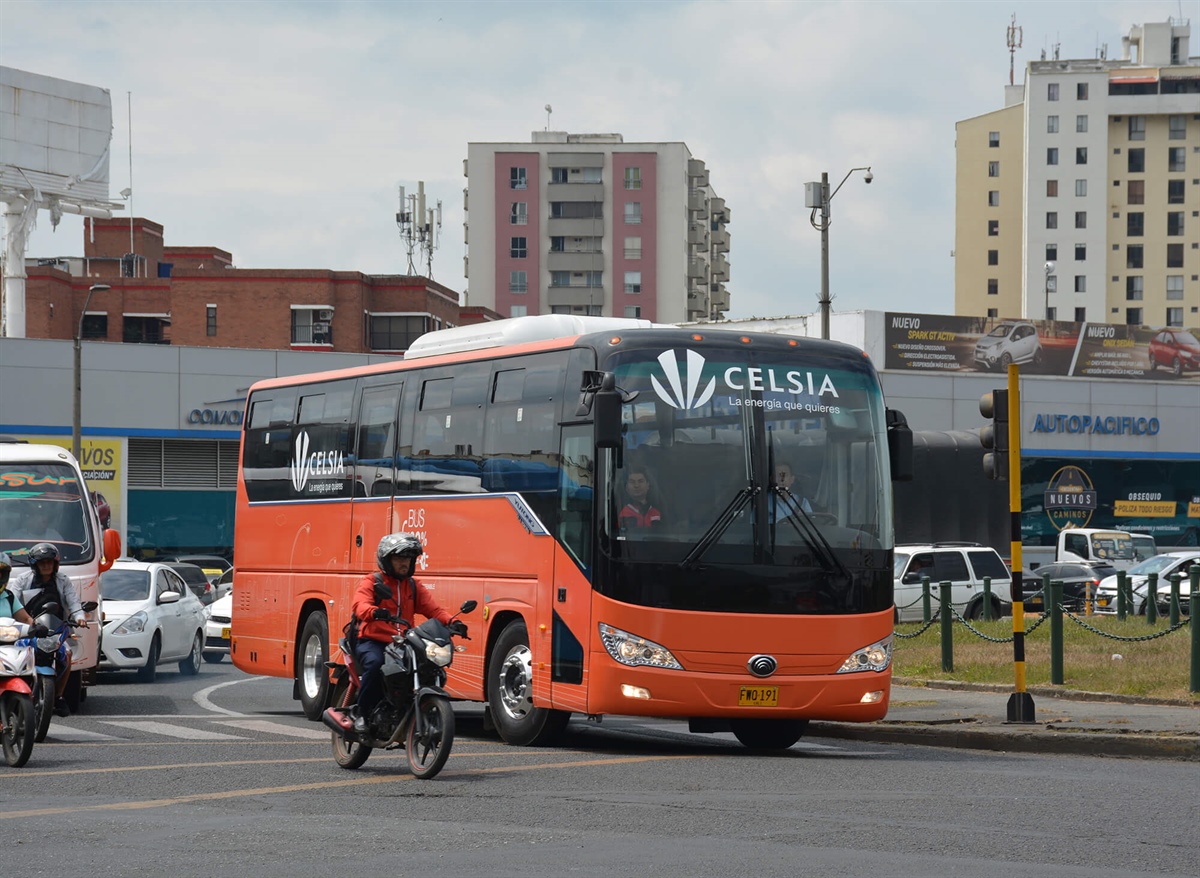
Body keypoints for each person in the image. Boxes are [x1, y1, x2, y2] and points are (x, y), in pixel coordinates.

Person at [350, 533, 466, 734]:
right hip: (373, 641)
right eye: (399, 559)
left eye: (408, 559)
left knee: (426, 665)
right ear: (386, 560)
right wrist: (374, 611)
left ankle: (404, 707)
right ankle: (362, 713)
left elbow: (434, 610)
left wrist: (453, 622)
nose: (404, 563)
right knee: (376, 665)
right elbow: (359, 605)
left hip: (401, 642)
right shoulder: (373, 581)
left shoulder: (413, 585)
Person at [11, 543, 88, 716]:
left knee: (67, 655)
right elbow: (12, 601)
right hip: (28, 629)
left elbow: (73, 602)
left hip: (55, 629)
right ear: (34, 565)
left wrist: (79, 618)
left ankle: (59, 696)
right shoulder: (23, 580)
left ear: (55, 564)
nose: (46, 565)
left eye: (49, 562)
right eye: (42, 562)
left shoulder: (63, 580)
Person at [619, 466, 663, 531]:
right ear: (626, 487)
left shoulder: (659, 511)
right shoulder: (622, 511)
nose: (636, 485)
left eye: (641, 481)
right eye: (632, 482)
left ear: (648, 485)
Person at [0, 553, 36, 625]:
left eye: (1, 573)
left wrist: (37, 627)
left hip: (7, 635)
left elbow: (25, 619)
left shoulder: (9, 596)